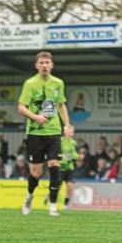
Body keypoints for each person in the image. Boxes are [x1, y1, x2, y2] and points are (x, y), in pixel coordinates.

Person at [18, 51, 72, 217]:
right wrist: (35, 117)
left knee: (55, 165)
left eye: (47, 63)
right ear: (36, 65)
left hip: (54, 131)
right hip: (35, 132)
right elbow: (21, 107)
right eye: (41, 63)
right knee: (36, 172)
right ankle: (29, 196)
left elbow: (61, 105)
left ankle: (53, 205)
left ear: (52, 65)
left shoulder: (58, 83)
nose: (44, 66)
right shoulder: (30, 83)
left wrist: (67, 125)